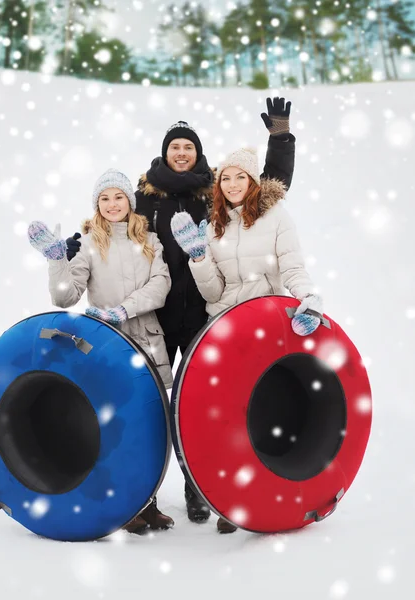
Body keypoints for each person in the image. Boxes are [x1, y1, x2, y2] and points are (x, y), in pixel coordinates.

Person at [132, 97, 296, 524]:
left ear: (198, 153)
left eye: (188, 146)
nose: (181, 153)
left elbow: (268, 188)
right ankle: (140, 498)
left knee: (209, 406)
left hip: (209, 315)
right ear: (164, 153)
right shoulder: (144, 197)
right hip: (157, 317)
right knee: (146, 404)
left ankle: (198, 490)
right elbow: (112, 227)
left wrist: (280, 138)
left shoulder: (214, 192)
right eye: (175, 147)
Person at [170, 147, 323, 533]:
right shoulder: (214, 224)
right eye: (226, 177)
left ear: (253, 180)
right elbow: (212, 292)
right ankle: (221, 497)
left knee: (259, 412)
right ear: (219, 184)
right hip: (224, 327)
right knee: (223, 419)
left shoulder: (275, 218)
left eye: (241, 176)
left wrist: (308, 296)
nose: (233, 184)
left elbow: (292, 265)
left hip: (265, 328)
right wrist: (199, 257)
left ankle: (251, 496)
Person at [27, 168, 174, 534]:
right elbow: (65, 295)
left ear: (130, 202)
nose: (112, 204)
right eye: (104, 198)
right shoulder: (89, 244)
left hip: (148, 342)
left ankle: (150, 503)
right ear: (97, 204)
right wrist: (56, 259)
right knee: (119, 426)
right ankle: (127, 507)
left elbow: (161, 285)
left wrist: (125, 308)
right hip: (110, 347)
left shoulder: (150, 241)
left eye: (118, 197)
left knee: (154, 429)